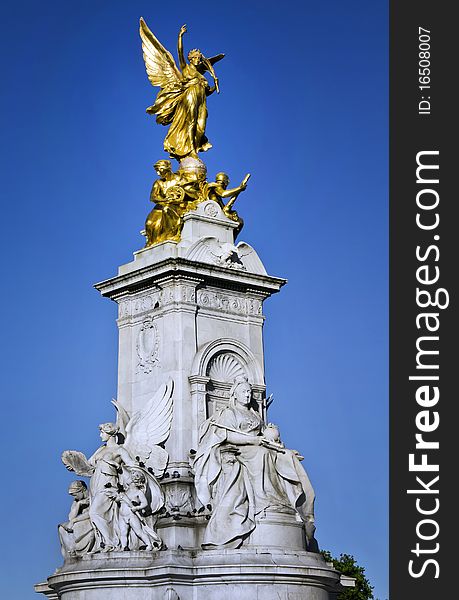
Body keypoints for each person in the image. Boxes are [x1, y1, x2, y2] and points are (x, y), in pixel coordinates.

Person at [193, 377, 316, 549]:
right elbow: (227, 436)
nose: (247, 395)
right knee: (262, 454)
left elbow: (266, 435)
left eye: (249, 392)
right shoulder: (229, 413)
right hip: (241, 448)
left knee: (288, 456)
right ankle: (264, 503)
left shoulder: (254, 413)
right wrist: (254, 441)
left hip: (259, 445)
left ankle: (288, 505)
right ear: (234, 394)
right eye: (244, 392)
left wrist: (275, 437)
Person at [147, 25, 220, 160]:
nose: (198, 60)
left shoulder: (200, 75)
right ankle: (191, 150)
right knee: (191, 122)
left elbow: (207, 92)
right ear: (191, 59)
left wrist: (214, 86)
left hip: (201, 100)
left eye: (199, 58)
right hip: (190, 95)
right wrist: (180, 36)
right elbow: (180, 52)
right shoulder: (186, 68)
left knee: (201, 125)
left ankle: (195, 147)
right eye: (196, 58)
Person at [114, 470, 162, 551]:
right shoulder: (125, 492)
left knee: (139, 532)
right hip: (122, 515)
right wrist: (118, 498)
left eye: (129, 477)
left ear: (134, 480)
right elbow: (117, 500)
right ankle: (123, 546)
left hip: (132, 515)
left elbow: (145, 503)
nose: (127, 479)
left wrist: (136, 508)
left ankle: (149, 545)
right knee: (123, 532)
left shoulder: (138, 492)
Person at [145, 160, 185, 246]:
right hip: (161, 205)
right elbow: (153, 197)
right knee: (149, 223)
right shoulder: (158, 183)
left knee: (167, 210)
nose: (158, 173)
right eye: (157, 171)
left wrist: (174, 200)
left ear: (167, 169)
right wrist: (164, 200)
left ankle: (170, 235)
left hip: (176, 205)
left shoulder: (179, 179)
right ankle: (152, 242)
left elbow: (185, 192)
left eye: (160, 170)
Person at [58, 481, 95, 557]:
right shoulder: (77, 501)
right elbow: (71, 517)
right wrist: (78, 504)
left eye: (75, 494)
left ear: (82, 490)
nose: (74, 497)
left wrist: (75, 521)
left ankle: (76, 550)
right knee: (62, 528)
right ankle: (71, 550)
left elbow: (92, 513)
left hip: (91, 520)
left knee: (75, 526)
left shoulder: (93, 496)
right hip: (80, 522)